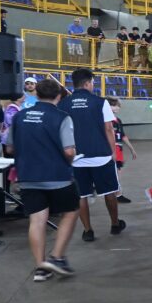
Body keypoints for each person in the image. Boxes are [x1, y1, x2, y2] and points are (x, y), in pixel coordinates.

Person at [3, 78, 80, 282]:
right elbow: (69, 151)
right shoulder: (62, 117)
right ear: (58, 96)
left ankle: (40, 268)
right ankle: (56, 257)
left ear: (36, 94)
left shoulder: (20, 117)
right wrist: (70, 157)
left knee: (37, 220)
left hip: (28, 176)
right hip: (58, 177)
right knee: (71, 212)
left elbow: (9, 148)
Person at [59, 68, 125, 242]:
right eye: (93, 82)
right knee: (110, 191)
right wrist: (112, 152)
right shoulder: (99, 102)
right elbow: (109, 128)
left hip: (76, 158)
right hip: (101, 156)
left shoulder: (64, 104)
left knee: (82, 196)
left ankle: (88, 230)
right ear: (88, 83)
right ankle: (115, 224)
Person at [107, 97, 137, 203]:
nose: (118, 108)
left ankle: (117, 193)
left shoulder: (118, 120)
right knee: (113, 174)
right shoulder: (105, 120)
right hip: (110, 151)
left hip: (118, 150)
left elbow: (123, 136)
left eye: (118, 105)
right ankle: (118, 194)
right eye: (115, 105)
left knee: (117, 173)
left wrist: (131, 149)